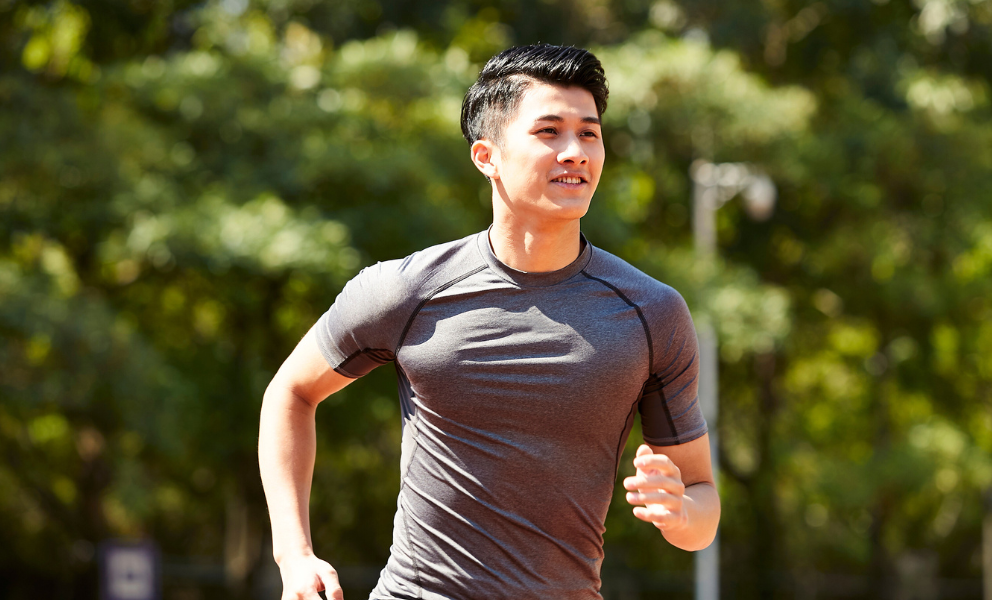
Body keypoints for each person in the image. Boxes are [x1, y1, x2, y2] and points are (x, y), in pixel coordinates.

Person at [258, 44, 719, 600]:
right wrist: (294, 554)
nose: (575, 151)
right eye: (549, 131)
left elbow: (702, 506)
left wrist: (677, 511)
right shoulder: (407, 290)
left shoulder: (652, 312)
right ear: (487, 156)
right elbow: (291, 391)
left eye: (590, 133)